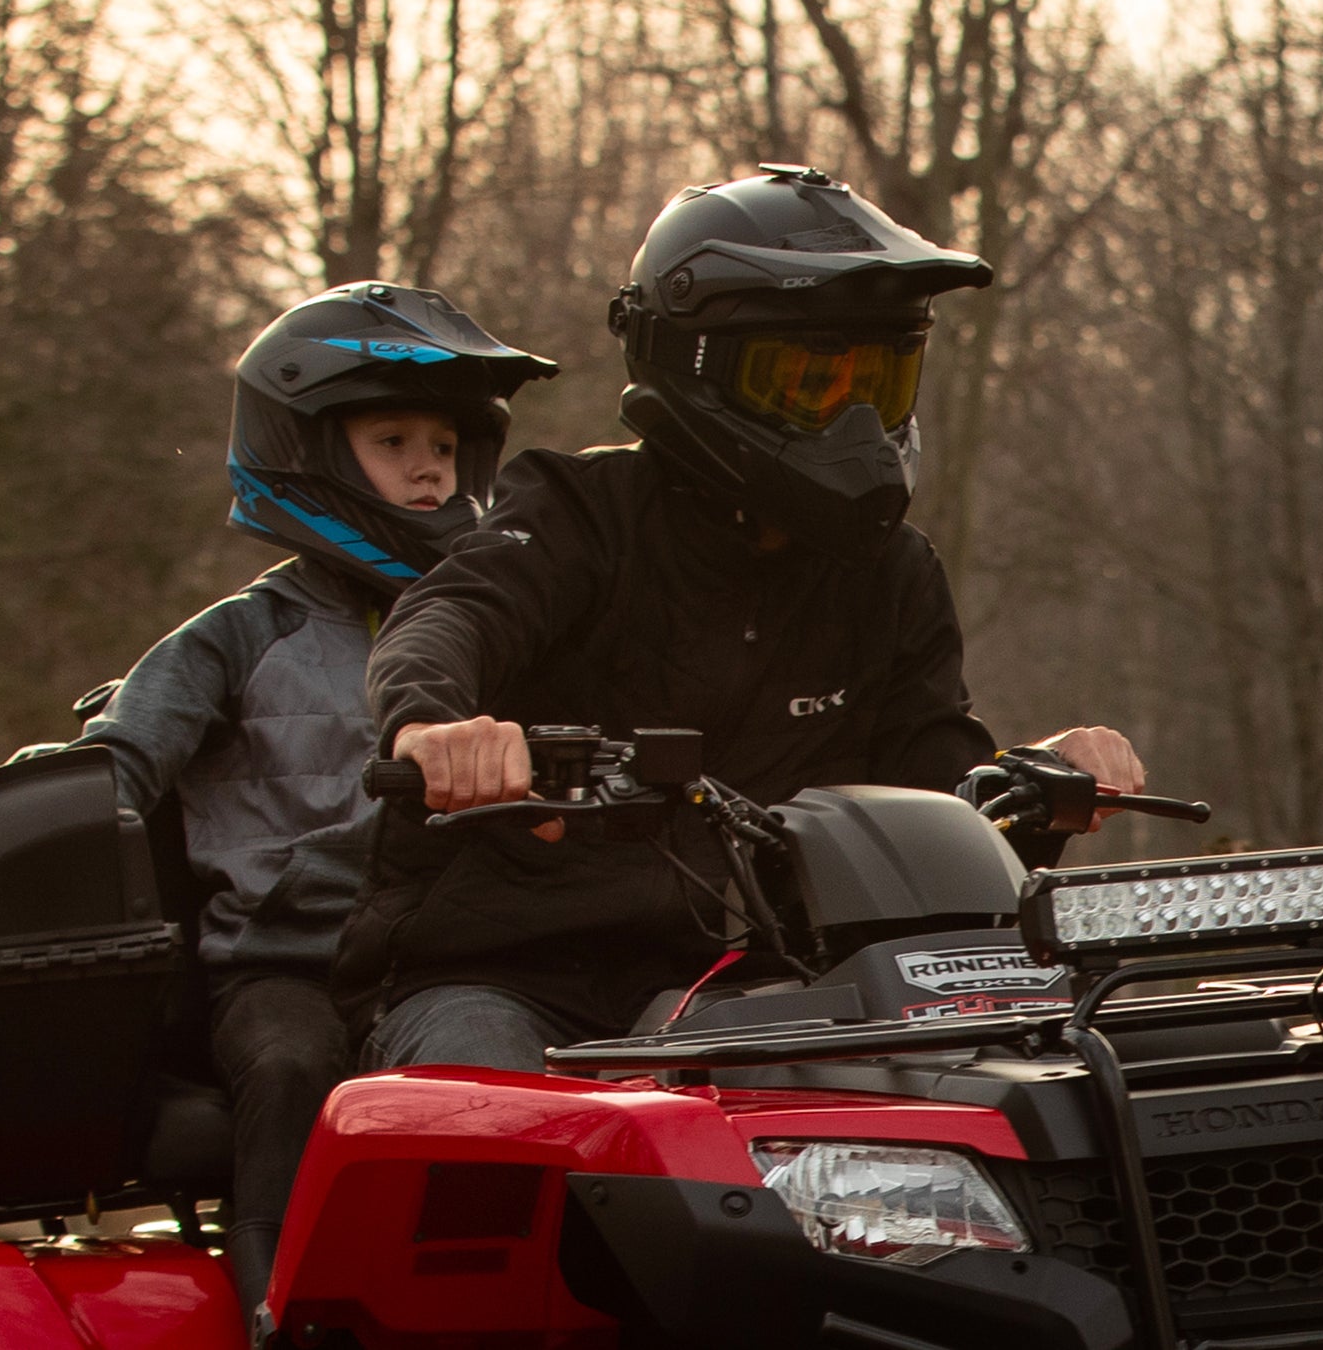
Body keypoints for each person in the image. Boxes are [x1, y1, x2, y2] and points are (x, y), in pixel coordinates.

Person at [337, 167, 1143, 1072]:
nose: (852, 420)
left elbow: (934, 794)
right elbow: (449, 612)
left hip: (750, 984)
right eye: (808, 381)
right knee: (485, 1105)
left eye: (876, 380)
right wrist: (435, 726)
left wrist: (1040, 786)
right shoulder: (577, 512)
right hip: (505, 969)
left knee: (984, 1093)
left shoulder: (889, 571)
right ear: (695, 364)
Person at [71, 281, 554, 1317]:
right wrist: (47, 818)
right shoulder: (239, 637)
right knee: (292, 1066)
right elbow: (114, 768)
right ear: (312, 453)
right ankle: (278, 1308)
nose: (432, 467)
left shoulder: (496, 634)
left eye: (446, 443)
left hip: (451, 958)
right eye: (394, 440)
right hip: (279, 969)